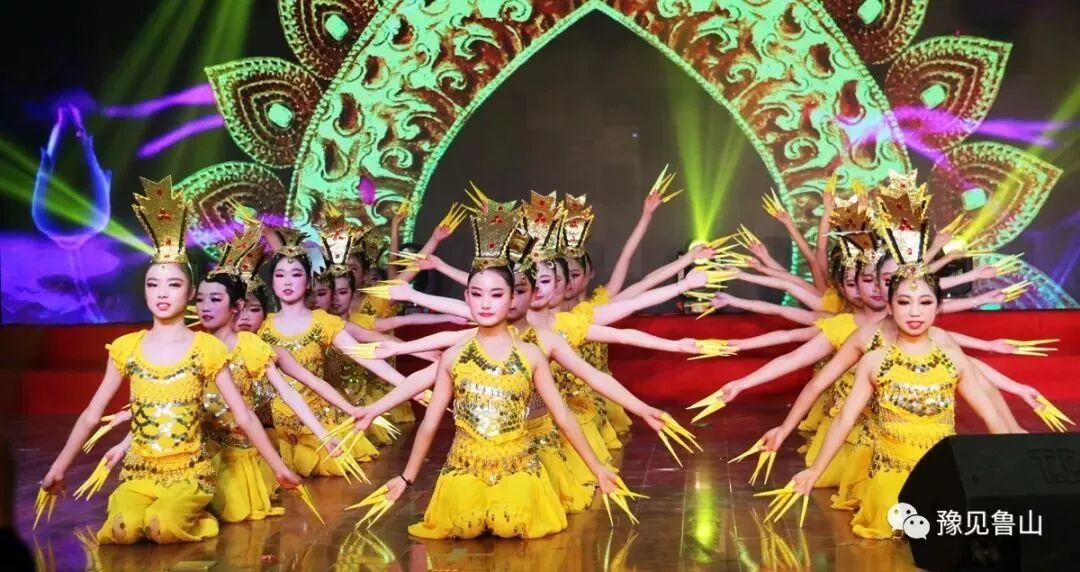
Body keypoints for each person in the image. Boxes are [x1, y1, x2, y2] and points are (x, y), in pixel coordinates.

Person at [38, 177, 301, 544]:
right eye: (153, 284)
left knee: (160, 528)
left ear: (191, 292)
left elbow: (242, 415)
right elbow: (90, 414)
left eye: (173, 285)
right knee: (123, 531)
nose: (162, 293)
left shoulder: (206, 349)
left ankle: (202, 520)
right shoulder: (127, 348)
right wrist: (59, 467)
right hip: (139, 473)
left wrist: (278, 467)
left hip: (188, 474)